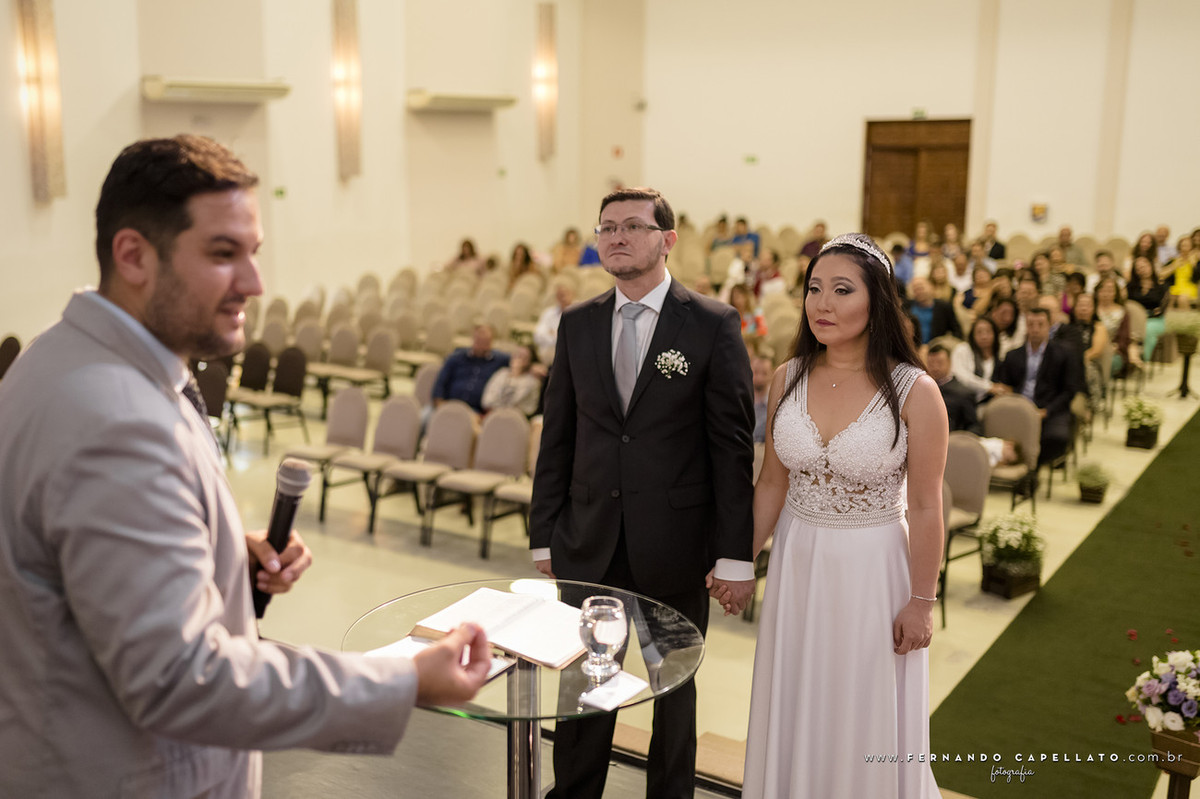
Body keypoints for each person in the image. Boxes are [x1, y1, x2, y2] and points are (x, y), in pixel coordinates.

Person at [0, 136, 489, 799]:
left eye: (253, 253)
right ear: (134, 254)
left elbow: (75, 570)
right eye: (223, 253)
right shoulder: (116, 420)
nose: (255, 284)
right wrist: (403, 681)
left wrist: (219, 554)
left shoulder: (53, 359)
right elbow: (180, 678)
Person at [530, 187, 755, 799]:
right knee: (586, 687)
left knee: (673, 689)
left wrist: (736, 555)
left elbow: (731, 449)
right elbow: (559, 436)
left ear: (668, 239)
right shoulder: (579, 323)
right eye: (606, 228)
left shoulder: (709, 323)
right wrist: (543, 534)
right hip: (589, 539)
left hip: (676, 543)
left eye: (632, 226)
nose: (617, 237)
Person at [742, 233, 945, 798]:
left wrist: (922, 600)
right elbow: (771, 484)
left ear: (876, 300)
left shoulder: (915, 391)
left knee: (860, 697)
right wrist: (741, 562)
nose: (821, 304)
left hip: (872, 569)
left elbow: (928, 506)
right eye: (813, 289)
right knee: (798, 690)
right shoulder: (789, 376)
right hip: (798, 560)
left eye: (841, 289)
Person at [995, 308, 1078, 464]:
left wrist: (1046, 411)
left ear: (1049, 326)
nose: (1035, 329)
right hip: (1019, 406)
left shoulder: (1063, 354)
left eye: (1040, 324)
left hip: (1048, 408)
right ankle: (1020, 466)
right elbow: (1005, 386)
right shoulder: (1013, 355)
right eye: (1031, 325)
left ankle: (1035, 468)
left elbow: (1069, 391)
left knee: (1058, 437)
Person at [430, 323, 510, 413]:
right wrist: (440, 404)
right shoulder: (456, 357)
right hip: (448, 404)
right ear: (473, 339)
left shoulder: (500, 361)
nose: (481, 346)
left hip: (475, 411)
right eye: (479, 341)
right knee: (426, 416)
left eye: (485, 342)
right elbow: (440, 383)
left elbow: (519, 360)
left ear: (491, 343)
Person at [951, 316, 1010, 403]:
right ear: (972, 334)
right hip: (960, 399)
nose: (984, 336)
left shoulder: (1000, 356)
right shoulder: (963, 349)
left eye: (988, 332)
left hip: (986, 401)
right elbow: (962, 377)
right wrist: (989, 387)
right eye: (979, 332)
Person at [481, 345, 544, 417]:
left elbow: (524, 407)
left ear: (529, 361)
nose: (518, 358)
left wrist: (516, 374)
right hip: (494, 415)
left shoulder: (532, 381)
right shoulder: (501, 373)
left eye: (522, 356)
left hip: (517, 419)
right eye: (516, 354)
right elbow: (486, 401)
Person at [1127, 255, 1169, 361]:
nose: (1142, 270)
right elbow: (1127, 304)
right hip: (1135, 319)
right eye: (1139, 268)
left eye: (1144, 266)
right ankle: (1132, 358)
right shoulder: (1131, 286)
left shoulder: (1161, 286)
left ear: (1151, 266)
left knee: (1148, 329)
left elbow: (1162, 308)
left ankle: (1144, 359)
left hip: (1155, 319)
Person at [906, 276, 963, 343]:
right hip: (911, 347)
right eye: (915, 289)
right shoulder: (906, 307)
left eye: (921, 288)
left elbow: (957, 332)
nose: (919, 291)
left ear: (931, 287)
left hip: (937, 348)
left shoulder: (944, 307)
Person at [533, 280, 576, 364]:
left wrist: (553, 333)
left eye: (565, 294)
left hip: (570, 354)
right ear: (556, 297)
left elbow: (574, 339)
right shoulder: (548, 313)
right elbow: (537, 336)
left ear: (572, 294)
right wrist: (558, 337)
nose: (563, 297)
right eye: (560, 295)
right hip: (548, 354)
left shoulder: (578, 312)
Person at [751, 354, 773, 444]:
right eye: (755, 372)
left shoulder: (774, 405)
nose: (759, 378)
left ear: (772, 374)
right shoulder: (740, 402)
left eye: (764, 373)